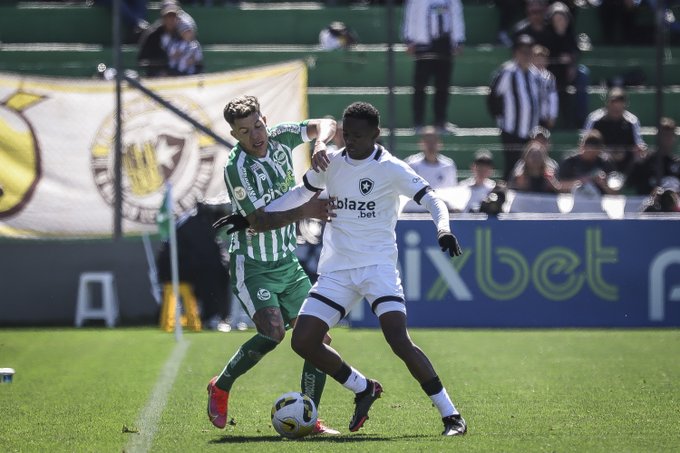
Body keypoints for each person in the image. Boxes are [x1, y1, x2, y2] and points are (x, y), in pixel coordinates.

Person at [231, 102, 467, 436]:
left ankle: (451, 415)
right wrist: (254, 216)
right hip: (337, 271)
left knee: (398, 338)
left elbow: (431, 197)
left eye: (358, 135)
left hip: (377, 267)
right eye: (347, 134)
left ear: (376, 134)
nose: (351, 141)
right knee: (303, 341)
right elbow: (302, 192)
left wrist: (443, 228)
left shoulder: (391, 168)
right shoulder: (332, 163)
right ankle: (363, 387)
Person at [206, 95, 339, 435]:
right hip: (252, 264)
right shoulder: (237, 168)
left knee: (318, 339)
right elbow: (259, 220)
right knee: (273, 332)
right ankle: (221, 386)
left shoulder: (280, 136)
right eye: (244, 131)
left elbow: (325, 123)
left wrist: (320, 141)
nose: (255, 135)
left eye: (258, 125)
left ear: (265, 119)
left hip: (286, 263)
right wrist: (306, 210)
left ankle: (308, 418)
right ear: (234, 135)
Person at [156, 202, 230, 328]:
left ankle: (217, 315)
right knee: (213, 276)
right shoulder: (196, 224)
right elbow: (206, 255)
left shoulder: (194, 221)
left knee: (215, 273)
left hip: (183, 267)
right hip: (177, 270)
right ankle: (213, 316)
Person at [402, 0, 465, 134]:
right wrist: (408, 39)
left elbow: (456, 14)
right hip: (422, 43)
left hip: (444, 44)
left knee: (443, 85)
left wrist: (458, 40)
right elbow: (410, 14)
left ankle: (440, 121)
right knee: (420, 86)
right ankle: (418, 122)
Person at [487, 34, 542, 180]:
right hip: (511, 129)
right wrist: (499, 117)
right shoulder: (507, 72)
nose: (526, 55)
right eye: (523, 51)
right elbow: (493, 96)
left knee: (530, 166)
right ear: (515, 53)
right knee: (512, 165)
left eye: (529, 51)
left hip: (531, 130)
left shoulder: (536, 74)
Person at [582, 87, 647, 179]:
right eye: (613, 104)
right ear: (607, 104)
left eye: (619, 105)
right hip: (598, 166)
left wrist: (627, 153)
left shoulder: (632, 121)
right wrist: (606, 154)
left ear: (625, 105)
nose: (616, 109)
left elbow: (639, 148)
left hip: (625, 165)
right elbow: (584, 147)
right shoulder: (594, 119)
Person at [627, 117, 680, 195]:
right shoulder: (646, 161)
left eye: (670, 135)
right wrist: (637, 163)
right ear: (658, 137)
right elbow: (629, 183)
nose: (667, 139)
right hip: (648, 203)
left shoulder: (677, 163)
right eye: (664, 135)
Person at [558, 130, 621, 195]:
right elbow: (560, 186)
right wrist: (583, 181)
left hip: (600, 200)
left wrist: (603, 183)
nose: (591, 155)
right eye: (588, 151)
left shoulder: (605, 162)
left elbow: (615, 192)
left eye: (594, 153)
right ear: (582, 147)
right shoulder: (570, 161)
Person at [532, 45, 559, 130]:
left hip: (543, 117)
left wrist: (552, 116)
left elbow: (553, 98)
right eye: (537, 59)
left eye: (542, 59)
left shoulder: (550, 78)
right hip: (529, 115)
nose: (540, 62)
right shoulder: (526, 76)